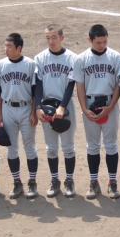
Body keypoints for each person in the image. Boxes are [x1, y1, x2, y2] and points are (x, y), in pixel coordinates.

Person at [71, 25, 120, 199]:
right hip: (90, 104)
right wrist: (85, 109)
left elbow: (119, 85)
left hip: (110, 103)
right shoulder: (81, 59)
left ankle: (112, 182)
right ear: (90, 40)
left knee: (111, 145)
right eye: (98, 42)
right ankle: (94, 182)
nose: (102, 45)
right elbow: (79, 86)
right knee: (92, 145)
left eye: (105, 41)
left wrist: (111, 106)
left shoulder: (115, 57)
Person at [34, 24, 78, 198]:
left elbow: (71, 84)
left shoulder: (72, 58)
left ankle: (69, 180)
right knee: (51, 148)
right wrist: (38, 107)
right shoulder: (40, 58)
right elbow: (38, 84)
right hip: (46, 107)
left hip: (65, 106)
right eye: (47, 38)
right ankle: (55, 180)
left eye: (54, 37)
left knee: (68, 147)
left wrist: (62, 106)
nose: (50, 41)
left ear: (62, 38)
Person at [0, 33, 38, 199]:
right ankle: (17, 182)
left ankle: (32, 182)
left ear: (19, 48)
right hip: (8, 109)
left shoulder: (30, 64)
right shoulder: (0, 65)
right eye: (5, 46)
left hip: (26, 108)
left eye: (9, 46)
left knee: (29, 146)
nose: (6, 49)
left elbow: (35, 91)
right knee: (11, 147)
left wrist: (34, 112)